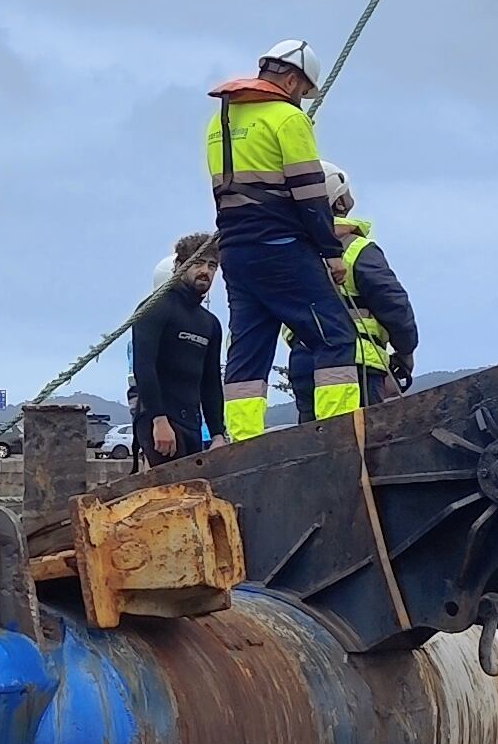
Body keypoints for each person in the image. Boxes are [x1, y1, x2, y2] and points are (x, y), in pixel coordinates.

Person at [203, 34, 361, 436]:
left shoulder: (220, 122)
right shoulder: (289, 119)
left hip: (236, 252)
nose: (304, 100)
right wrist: (332, 253)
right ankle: (337, 432)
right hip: (282, 248)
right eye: (305, 93)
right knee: (336, 337)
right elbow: (310, 193)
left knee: (248, 351)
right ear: (293, 82)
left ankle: (244, 441)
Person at [125, 234, 227, 463]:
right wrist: (158, 420)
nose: (206, 271)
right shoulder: (156, 308)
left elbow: (210, 381)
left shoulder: (210, 324)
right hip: (160, 422)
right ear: (180, 266)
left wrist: (218, 434)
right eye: (198, 263)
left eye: (212, 266)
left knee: (196, 496)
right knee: (170, 495)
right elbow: (144, 368)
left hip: (192, 424)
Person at [325, 170, 418, 402]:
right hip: (358, 366)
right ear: (340, 202)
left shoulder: (291, 256)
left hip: (304, 366)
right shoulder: (356, 249)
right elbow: (394, 305)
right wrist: (405, 351)